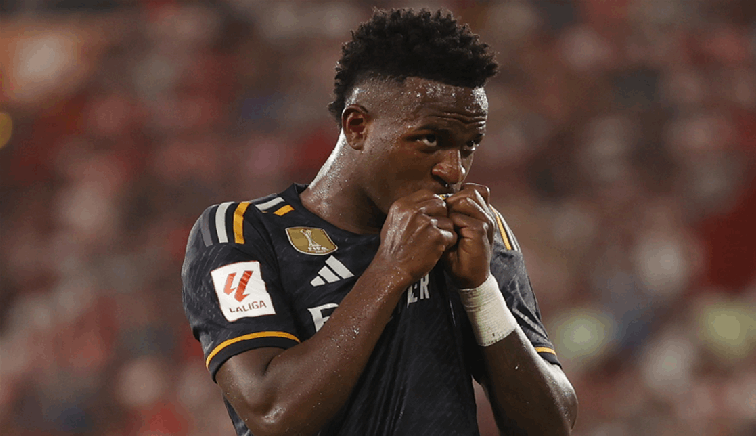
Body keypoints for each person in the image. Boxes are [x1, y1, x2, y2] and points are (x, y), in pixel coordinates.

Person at [182, 8, 577, 436]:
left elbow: (551, 427)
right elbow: (272, 413)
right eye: (430, 139)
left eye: (469, 146)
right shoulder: (242, 232)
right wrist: (389, 271)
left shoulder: (474, 230)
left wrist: (480, 292)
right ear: (357, 126)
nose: (453, 170)